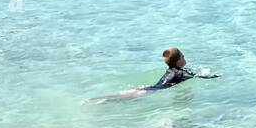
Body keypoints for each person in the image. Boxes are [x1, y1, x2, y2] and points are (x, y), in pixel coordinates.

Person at [89, 47, 217, 103]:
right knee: (123, 100)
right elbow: (197, 76)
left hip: (148, 88)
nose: (184, 57)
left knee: (122, 95)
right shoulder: (181, 73)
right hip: (150, 91)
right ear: (179, 60)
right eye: (183, 56)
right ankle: (104, 101)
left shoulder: (171, 70)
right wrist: (212, 76)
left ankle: (94, 99)